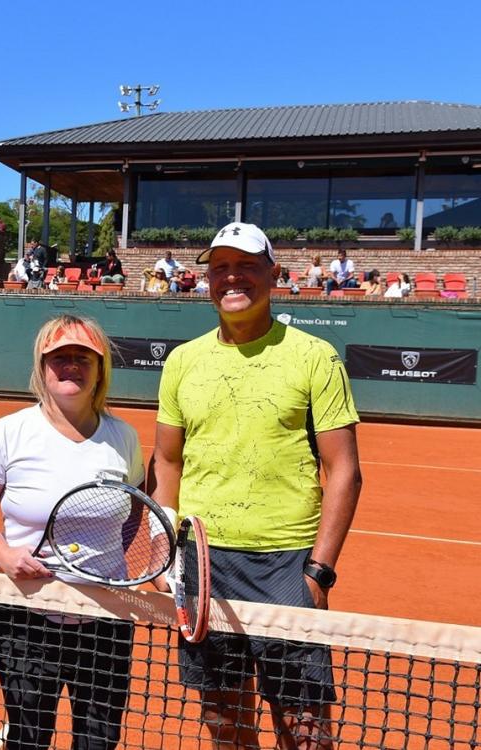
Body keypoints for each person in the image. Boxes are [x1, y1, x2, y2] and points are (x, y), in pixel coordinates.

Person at [151, 222, 362, 749]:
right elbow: (167, 462)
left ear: (273, 273)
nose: (231, 277)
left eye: (246, 265)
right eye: (220, 267)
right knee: (223, 719)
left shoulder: (315, 356)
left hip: (286, 564)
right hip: (203, 560)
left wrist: (318, 572)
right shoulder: (182, 361)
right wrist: (164, 553)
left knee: (305, 728)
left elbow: (344, 471)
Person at [0, 315, 144, 750]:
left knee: (98, 742)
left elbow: (136, 511)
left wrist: (111, 567)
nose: (71, 366)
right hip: (23, 616)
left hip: (105, 620)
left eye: (83, 357)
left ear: (100, 369)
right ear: (42, 366)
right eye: (59, 357)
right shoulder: (10, 432)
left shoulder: (124, 437)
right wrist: (4, 555)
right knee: (29, 739)